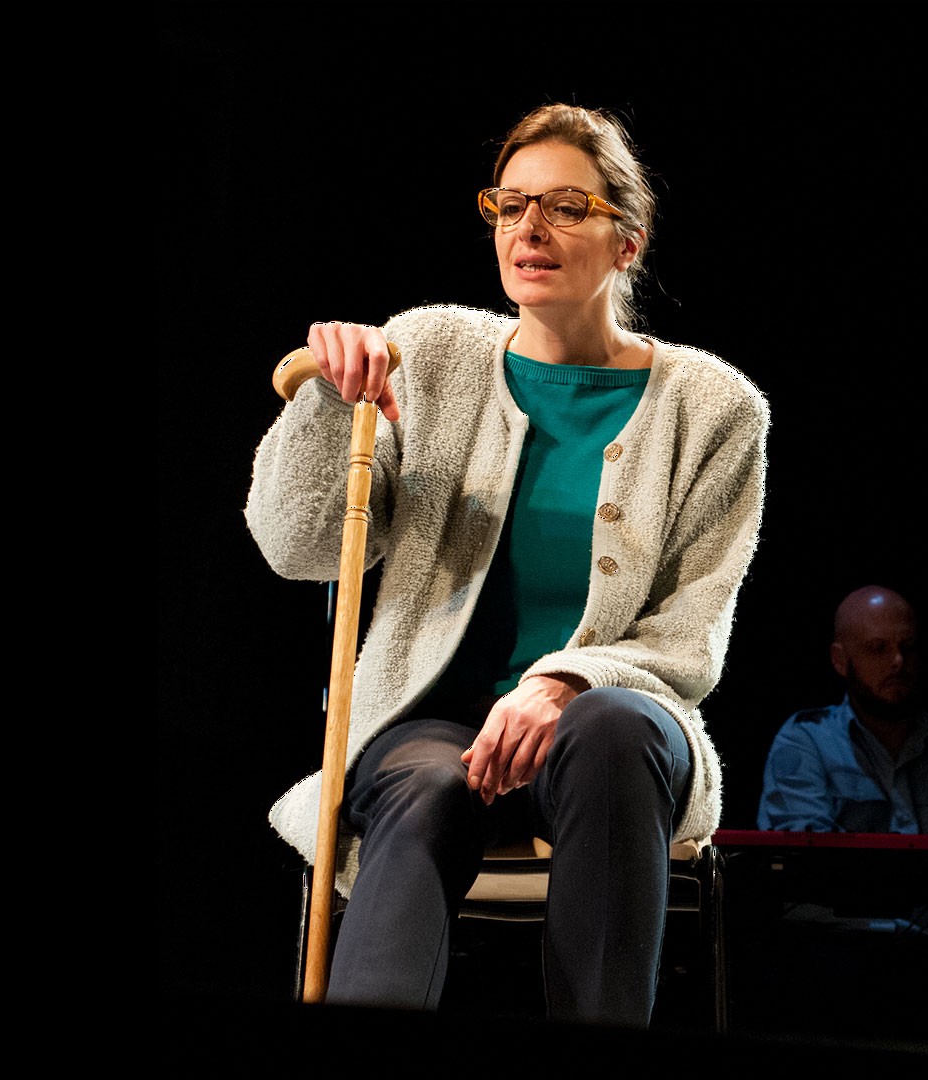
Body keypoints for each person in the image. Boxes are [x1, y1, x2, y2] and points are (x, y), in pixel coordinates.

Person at [245, 103, 769, 1026]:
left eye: (566, 207)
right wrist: (330, 400)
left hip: (617, 736)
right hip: (432, 727)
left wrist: (565, 681)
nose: (530, 229)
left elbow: (690, 635)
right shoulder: (429, 351)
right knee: (430, 781)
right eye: (511, 205)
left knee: (612, 728)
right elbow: (298, 548)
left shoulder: (715, 408)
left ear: (628, 242)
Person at [756, 585, 928, 836]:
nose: (898, 661)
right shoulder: (807, 742)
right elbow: (805, 860)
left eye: (908, 646)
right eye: (877, 648)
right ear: (840, 660)